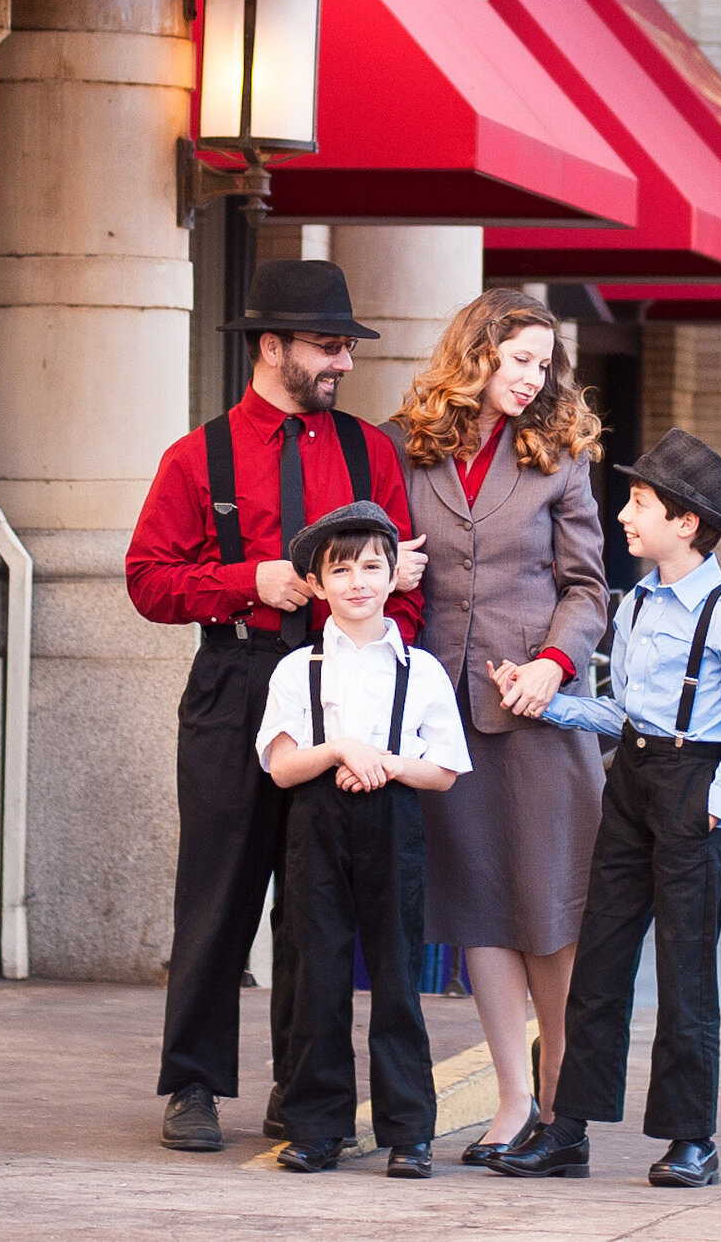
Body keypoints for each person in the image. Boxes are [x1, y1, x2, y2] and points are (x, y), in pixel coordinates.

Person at [126, 258, 422, 1153]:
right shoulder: (196, 455)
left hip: (339, 689)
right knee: (217, 892)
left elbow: (406, 588)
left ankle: (305, 1095)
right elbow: (147, 580)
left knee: (316, 904)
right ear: (271, 346)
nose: (343, 361)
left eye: (345, 345)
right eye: (327, 345)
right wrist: (241, 582)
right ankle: (191, 1084)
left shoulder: (372, 451)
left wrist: (375, 669)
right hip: (237, 682)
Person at [488, 428, 721, 1188]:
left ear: (686, 523)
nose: (624, 515)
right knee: (601, 961)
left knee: (688, 974)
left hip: (694, 790)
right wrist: (548, 703)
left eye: (640, 504)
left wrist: (715, 807)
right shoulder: (637, 606)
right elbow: (624, 713)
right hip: (631, 785)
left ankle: (692, 1140)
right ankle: (567, 1130)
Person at [386, 288, 608, 1164]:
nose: (533, 378)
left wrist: (555, 667)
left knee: (549, 909)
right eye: (519, 360)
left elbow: (588, 586)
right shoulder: (410, 445)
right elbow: (376, 556)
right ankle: (513, 1102)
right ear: (475, 353)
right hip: (445, 709)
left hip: (538, 711)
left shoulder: (559, 455)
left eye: (543, 364)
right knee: (479, 905)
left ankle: (563, 1105)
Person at [257, 500, 471, 1178]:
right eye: (340, 569)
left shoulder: (420, 669)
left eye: (372, 567)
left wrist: (381, 764)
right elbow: (285, 764)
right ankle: (318, 1128)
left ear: (394, 576)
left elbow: (443, 770)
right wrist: (344, 749)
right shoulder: (298, 669)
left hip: (395, 821)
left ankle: (409, 1131)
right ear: (316, 584)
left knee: (399, 976)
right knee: (316, 975)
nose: (357, 582)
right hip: (316, 826)